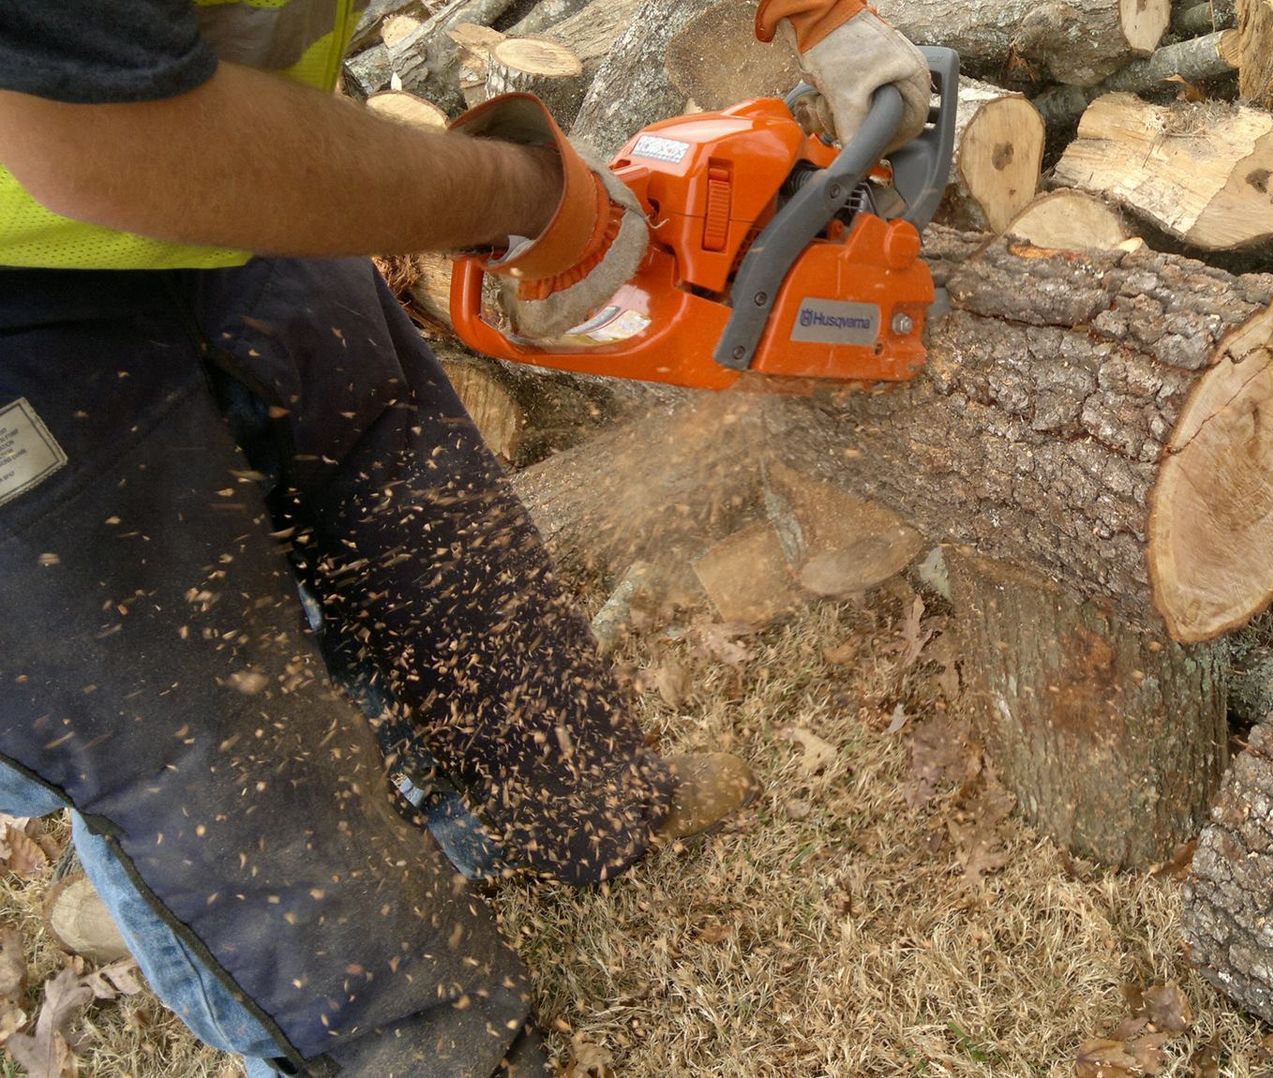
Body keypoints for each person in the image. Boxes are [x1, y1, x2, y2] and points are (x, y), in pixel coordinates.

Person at [0, 1, 931, 1073]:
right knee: (173, 709)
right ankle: (424, 1047)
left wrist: (817, 11)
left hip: (179, 146)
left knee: (389, 451)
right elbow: (119, 147)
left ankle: (571, 802)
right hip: (86, 179)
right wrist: (528, 194)